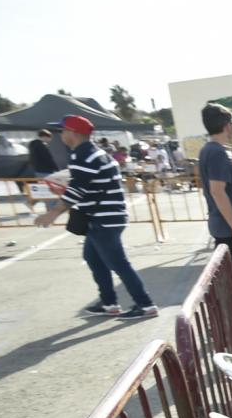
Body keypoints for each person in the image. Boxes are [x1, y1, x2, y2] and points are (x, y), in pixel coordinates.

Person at [33, 115, 158, 319]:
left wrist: (53, 212)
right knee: (93, 258)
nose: (61, 135)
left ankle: (145, 304)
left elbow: (77, 188)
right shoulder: (96, 153)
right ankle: (109, 303)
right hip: (104, 217)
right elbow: (86, 185)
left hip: (103, 219)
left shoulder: (83, 155)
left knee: (118, 263)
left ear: (73, 133)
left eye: (62, 131)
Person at [199, 103, 232, 269]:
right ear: (227, 126)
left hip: (224, 226)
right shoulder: (217, 152)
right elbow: (217, 191)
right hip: (228, 228)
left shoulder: (210, 150)